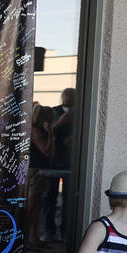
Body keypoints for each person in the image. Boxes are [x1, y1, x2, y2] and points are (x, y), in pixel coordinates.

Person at [41, 87, 75, 242]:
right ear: (62, 97)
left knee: (69, 199)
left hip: (72, 161)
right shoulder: (54, 112)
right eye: (66, 95)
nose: (68, 98)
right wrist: (59, 125)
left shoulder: (81, 111)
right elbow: (47, 132)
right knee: (50, 197)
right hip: (54, 160)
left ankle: (65, 232)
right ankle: (49, 231)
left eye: (72, 96)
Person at [26, 104, 56, 248]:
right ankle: (28, 239)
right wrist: (50, 134)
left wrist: (50, 134)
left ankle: (34, 237)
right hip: (35, 170)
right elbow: (47, 152)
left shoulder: (41, 131)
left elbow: (51, 152)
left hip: (41, 170)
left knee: (38, 205)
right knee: (32, 206)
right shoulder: (36, 131)